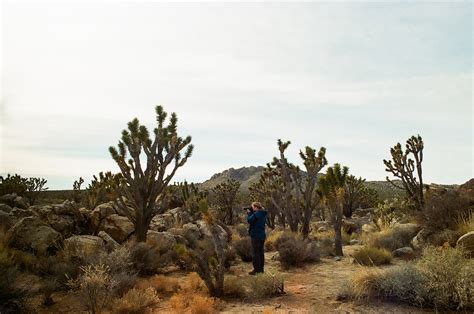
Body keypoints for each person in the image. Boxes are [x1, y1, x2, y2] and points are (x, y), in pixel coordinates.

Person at [246, 201, 267, 275]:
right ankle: (261, 269)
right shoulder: (263, 213)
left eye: (252, 207)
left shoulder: (257, 214)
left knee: (255, 253)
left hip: (256, 236)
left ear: (255, 207)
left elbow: (249, 220)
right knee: (260, 253)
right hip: (262, 235)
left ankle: (256, 270)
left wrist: (249, 213)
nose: (252, 208)